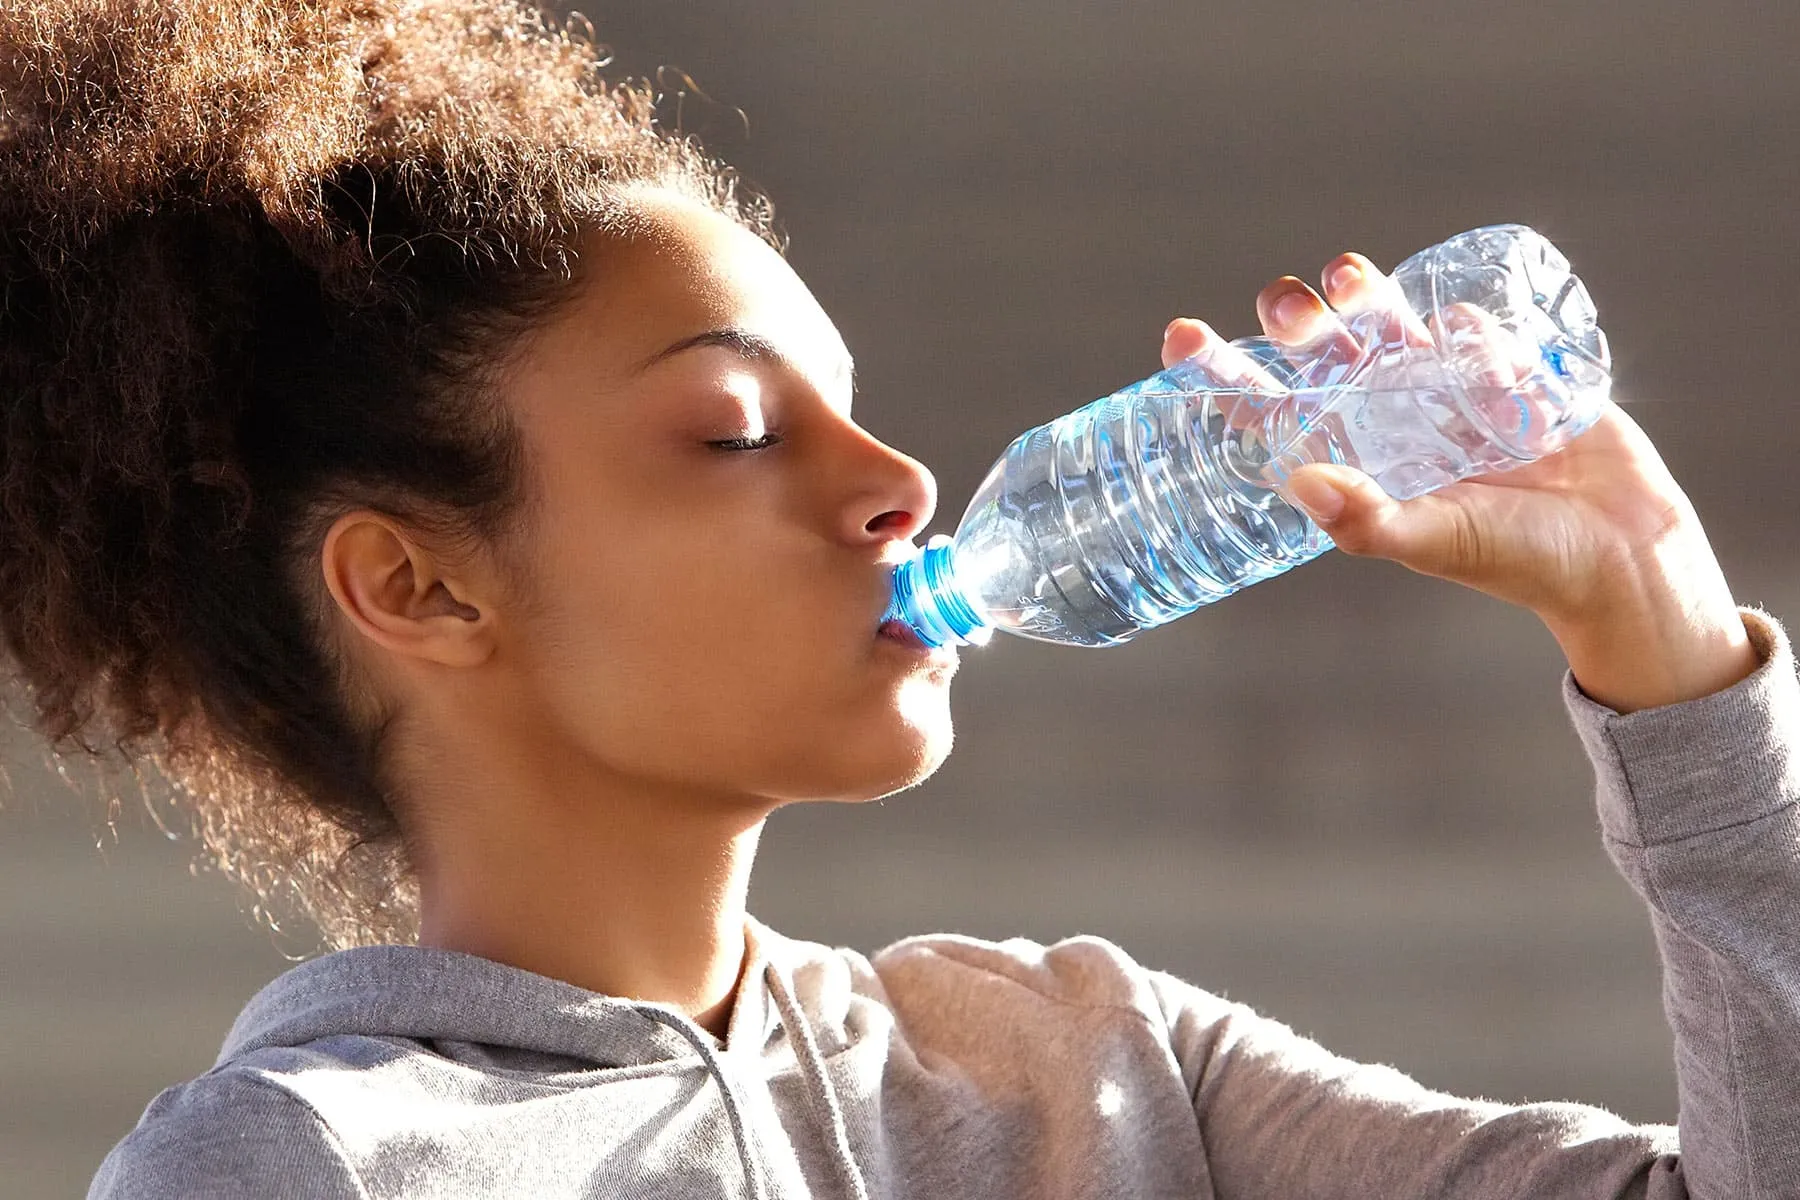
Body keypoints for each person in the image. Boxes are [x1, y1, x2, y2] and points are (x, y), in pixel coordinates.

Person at [2, 2, 1793, 1197]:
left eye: (855, 399)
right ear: (420, 583)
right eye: (729, 430)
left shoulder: (1090, 1066)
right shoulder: (303, 1161)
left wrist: (1672, 655)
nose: (898, 479)